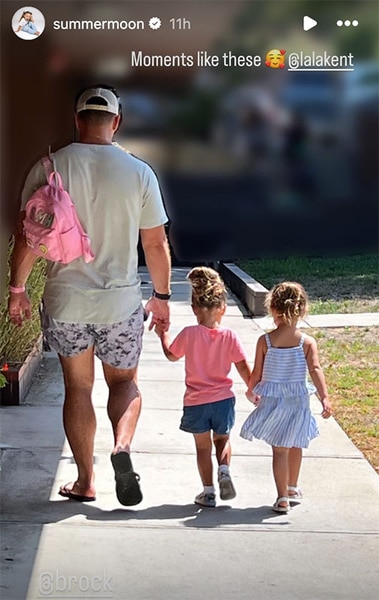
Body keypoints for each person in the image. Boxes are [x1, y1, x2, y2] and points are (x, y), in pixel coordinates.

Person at [8, 84, 171, 506]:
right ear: (116, 122)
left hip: (67, 301)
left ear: (77, 119)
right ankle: (121, 447)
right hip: (119, 303)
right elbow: (155, 244)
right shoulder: (139, 173)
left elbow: (28, 239)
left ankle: (85, 480)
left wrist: (17, 290)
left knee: (78, 388)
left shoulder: (50, 168)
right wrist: (162, 297)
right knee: (124, 383)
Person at [154, 266, 251, 507]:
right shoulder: (230, 336)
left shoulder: (189, 334)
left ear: (194, 308)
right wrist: (253, 389)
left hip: (196, 401)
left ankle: (208, 492)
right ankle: (225, 470)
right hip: (223, 400)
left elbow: (171, 355)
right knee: (222, 440)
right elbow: (242, 367)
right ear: (223, 308)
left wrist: (162, 334)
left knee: (202, 447)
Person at [240, 281, 332, 513]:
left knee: (279, 449)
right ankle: (292, 486)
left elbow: (257, 373)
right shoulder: (306, 342)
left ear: (273, 309)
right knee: (296, 442)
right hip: (297, 400)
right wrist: (324, 397)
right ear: (302, 310)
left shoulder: (266, 341)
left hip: (273, 401)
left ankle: (282, 496)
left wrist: (251, 390)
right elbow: (315, 369)